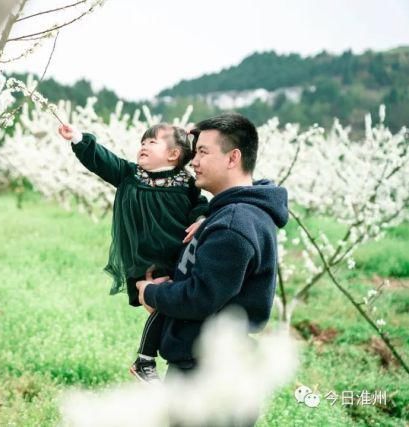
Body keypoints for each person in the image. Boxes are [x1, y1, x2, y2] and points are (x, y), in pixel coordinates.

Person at [136, 113, 288, 379]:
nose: (193, 161)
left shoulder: (233, 224)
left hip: (208, 374)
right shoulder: (232, 213)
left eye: (203, 152)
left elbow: (200, 298)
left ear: (233, 158)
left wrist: (151, 293)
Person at [58, 123, 208, 383]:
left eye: (152, 142)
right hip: (147, 261)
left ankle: (173, 360)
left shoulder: (187, 184)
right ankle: (145, 359)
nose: (143, 146)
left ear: (173, 154)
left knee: (173, 308)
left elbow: (199, 206)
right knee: (164, 304)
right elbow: (103, 160)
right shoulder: (130, 175)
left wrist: (203, 218)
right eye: (142, 141)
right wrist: (79, 139)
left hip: (179, 259)